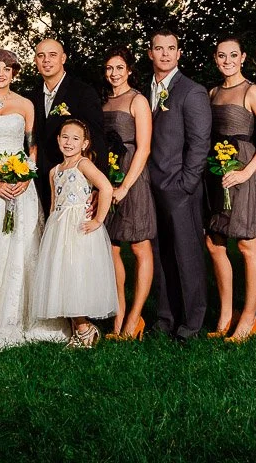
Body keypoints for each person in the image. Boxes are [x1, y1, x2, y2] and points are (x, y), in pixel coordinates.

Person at [0, 49, 68, 350]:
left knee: (22, 247)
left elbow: (31, 147)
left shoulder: (26, 104)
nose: (1, 73)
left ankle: (23, 317)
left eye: (7, 68)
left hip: (21, 185)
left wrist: (25, 176)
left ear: (15, 72)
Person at [203, 38, 256, 343]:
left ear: (243, 57)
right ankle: (225, 315)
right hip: (216, 170)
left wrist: (246, 171)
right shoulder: (211, 93)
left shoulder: (252, 91)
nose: (228, 60)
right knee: (214, 244)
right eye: (222, 56)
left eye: (233, 55)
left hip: (243, 171)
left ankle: (249, 319)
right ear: (216, 59)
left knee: (248, 246)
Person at [147, 29, 211, 341]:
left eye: (171, 48)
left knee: (188, 258)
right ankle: (165, 319)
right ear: (150, 53)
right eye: (159, 49)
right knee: (162, 257)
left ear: (179, 53)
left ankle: (192, 325)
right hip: (151, 188)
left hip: (179, 189)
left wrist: (186, 184)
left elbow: (200, 144)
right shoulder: (146, 90)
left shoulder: (192, 91)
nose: (165, 54)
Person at [31, 119, 118, 348]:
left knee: (76, 273)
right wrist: (49, 229)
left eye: (75, 139)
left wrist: (99, 219)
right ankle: (77, 329)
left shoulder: (83, 164)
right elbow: (52, 204)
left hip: (79, 225)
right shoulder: (54, 171)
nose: (69, 142)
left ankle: (84, 328)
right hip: (59, 227)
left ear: (85, 143)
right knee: (62, 275)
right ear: (58, 140)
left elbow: (106, 188)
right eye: (65, 137)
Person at [101, 48, 156, 340]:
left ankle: (136, 318)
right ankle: (119, 317)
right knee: (111, 249)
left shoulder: (138, 100)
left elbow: (144, 147)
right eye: (109, 68)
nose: (114, 73)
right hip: (109, 175)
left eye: (119, 67)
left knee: (139, 246)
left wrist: (125, 187)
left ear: (130, 70)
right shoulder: (104, 102)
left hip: (132, 177)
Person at [29, 38, 106, 213]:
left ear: (63, 58)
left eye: (52, 55)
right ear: (36, 61)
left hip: (74, 186)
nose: (46, 60)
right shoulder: (31, 97)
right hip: (39, 183)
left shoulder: (83, 93)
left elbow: (98, 140)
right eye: (41, 56)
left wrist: (97, 187)